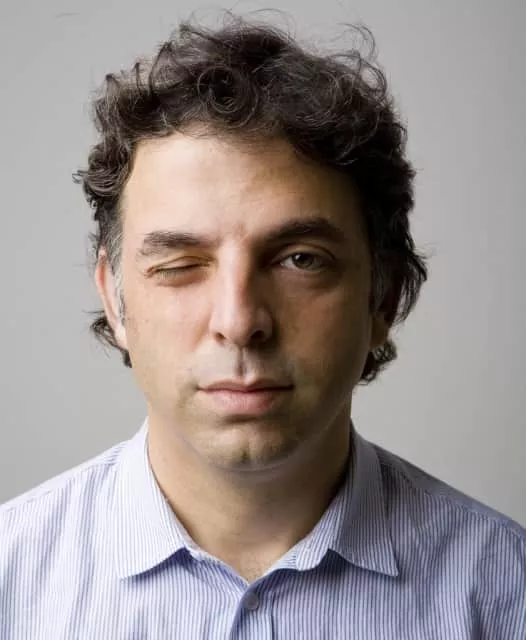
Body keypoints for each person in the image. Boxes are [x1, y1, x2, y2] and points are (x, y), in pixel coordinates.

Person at [1, 13, 524, 640]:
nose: (239, 321)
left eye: (300, 259)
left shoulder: (507, 593)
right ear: (115, 301)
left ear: (383, 297)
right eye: (180, 265)